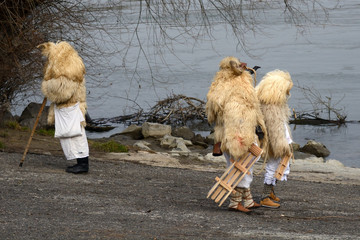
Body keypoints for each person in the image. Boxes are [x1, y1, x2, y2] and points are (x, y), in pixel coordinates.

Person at [206, 56, 267, 213]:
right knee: (240, 166)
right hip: (233, 133)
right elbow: (215, 109)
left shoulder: (223, 86)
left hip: (242, 130)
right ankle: (235, 202)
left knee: (244, 165)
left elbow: (211, 113)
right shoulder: (227, 86)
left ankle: (247, 200)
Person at [38, 41, 89, 174]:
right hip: (69, 107)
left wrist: (47, 84)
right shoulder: (70, 65)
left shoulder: (68, 69)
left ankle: (83, 164)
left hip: (70, 107)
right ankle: (81, 163)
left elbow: (62, 92)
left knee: (75, 134)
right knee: (72, 135)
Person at [255, 69, 293, 208]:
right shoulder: (271, 106)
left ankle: (270, 191)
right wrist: (282, 144)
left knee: (278, 165)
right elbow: (274, 128)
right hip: (275, 141)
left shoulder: (274, 103)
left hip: (278, 139)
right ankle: (265, 196)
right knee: (274, 166)